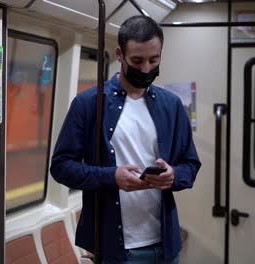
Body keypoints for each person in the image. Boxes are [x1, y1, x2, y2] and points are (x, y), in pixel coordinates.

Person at [50, 15, 201, 264]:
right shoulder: (89, 104)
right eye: (137, 61)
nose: (145, 69)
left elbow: (191, 165)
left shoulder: (172, 105)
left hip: (166, 246)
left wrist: (174, 175)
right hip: (115, 249)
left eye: (154, 60)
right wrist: (112, 177)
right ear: (120, 55)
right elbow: (62, 167)